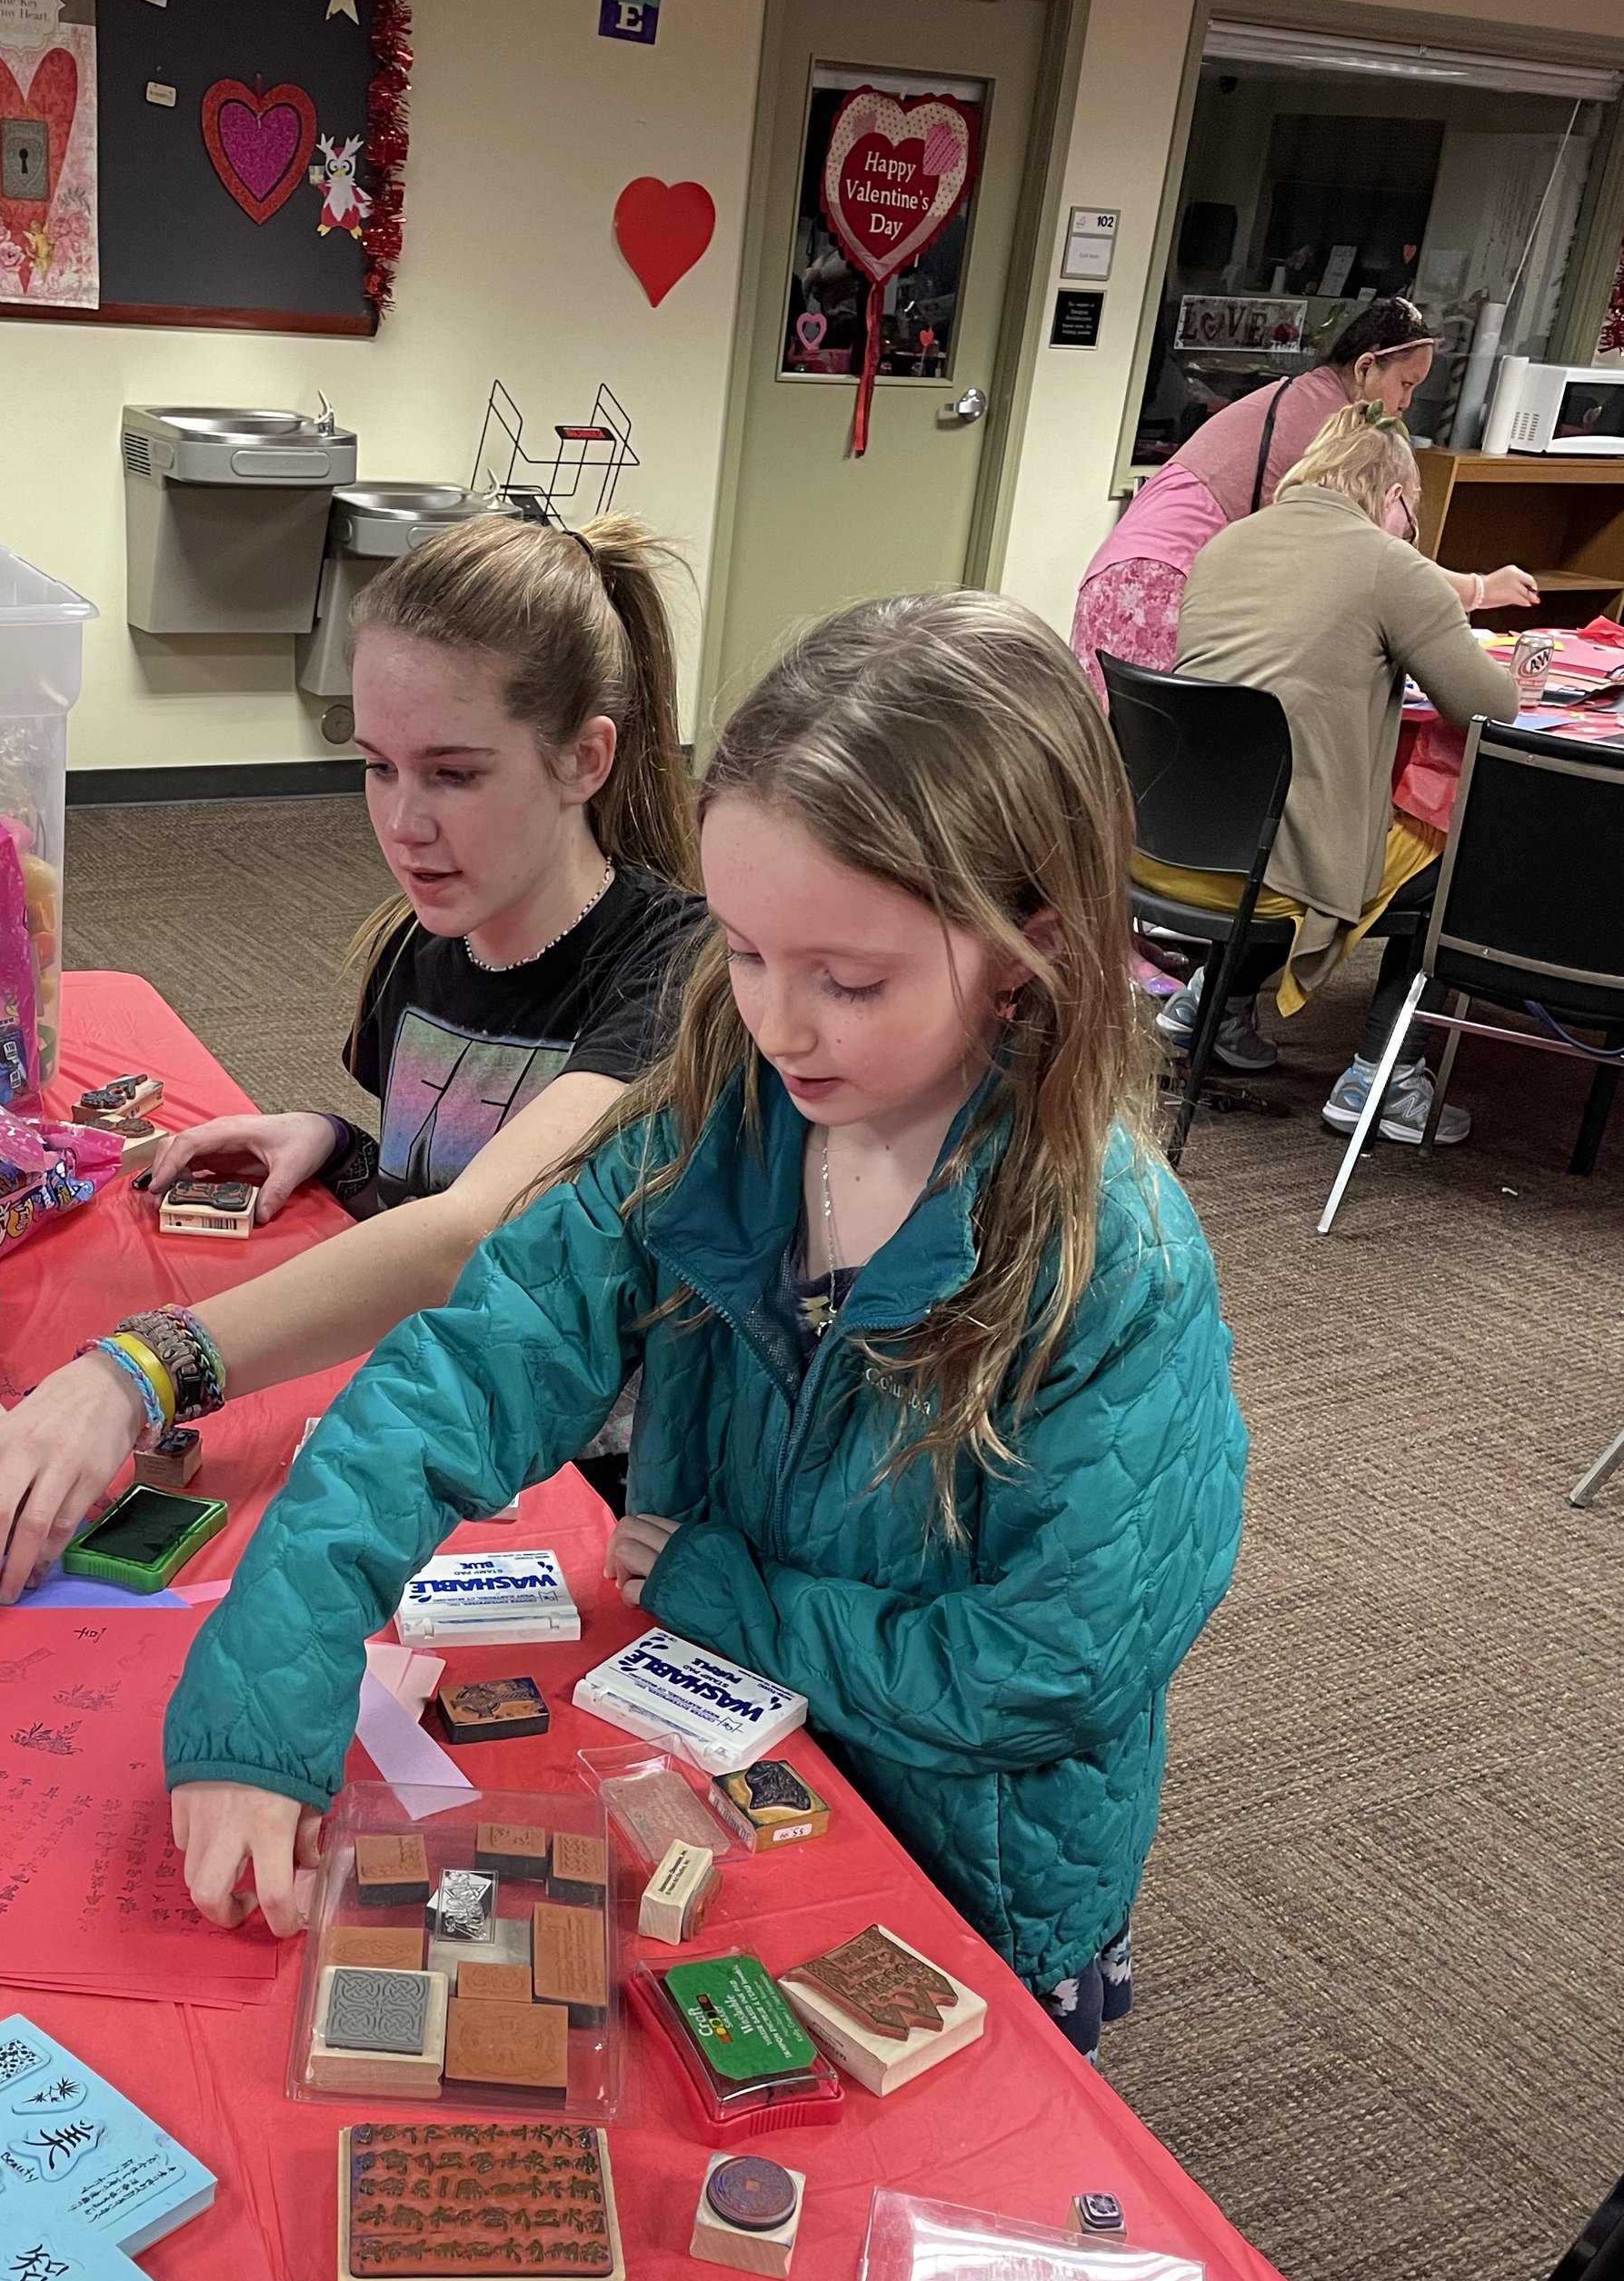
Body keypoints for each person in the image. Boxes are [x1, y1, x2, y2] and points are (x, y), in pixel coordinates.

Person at [159, 591, 1248, 2057]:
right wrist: (259, 1690)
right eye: (740, 950)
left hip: (964, 1861)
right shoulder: (716, 1115)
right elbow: (457, 1378)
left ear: (1025, 943)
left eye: (847, 979)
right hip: (714, 1775)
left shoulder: (1110, 1261)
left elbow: (1045, 1670)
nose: (778, 1023)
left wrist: (730, 1597)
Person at [0, 513, 705, 1599]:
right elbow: (454, 1165)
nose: (403, 823)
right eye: (378, 768)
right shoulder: (419, 945)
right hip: (427, 1416)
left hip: (586, 1496)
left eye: (453, 774)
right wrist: (340, 1145)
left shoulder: (680, 972)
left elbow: (481, 1237)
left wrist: (140, 1370)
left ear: (585, 759)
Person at [1143, 404, 1534, 1145]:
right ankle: (1385, 1078)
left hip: (1174, 850)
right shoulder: (1390, 562)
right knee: (1468, 849)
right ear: (1393, 498)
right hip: (1278, 872)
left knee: (1278, 803)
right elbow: (1492, 708)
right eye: (1414, 513)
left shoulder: (1229, 543)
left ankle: (1212, 1006)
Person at [1070, 297, 1538, 711]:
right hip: (1156, 579)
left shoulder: (1302, 399)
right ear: (1365, 368)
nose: (1406, 403)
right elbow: (1372, 557)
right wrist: (1478, 589)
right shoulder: (1328, 431)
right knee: (1150, 756)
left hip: (1135, 571)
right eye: (1405, 385)